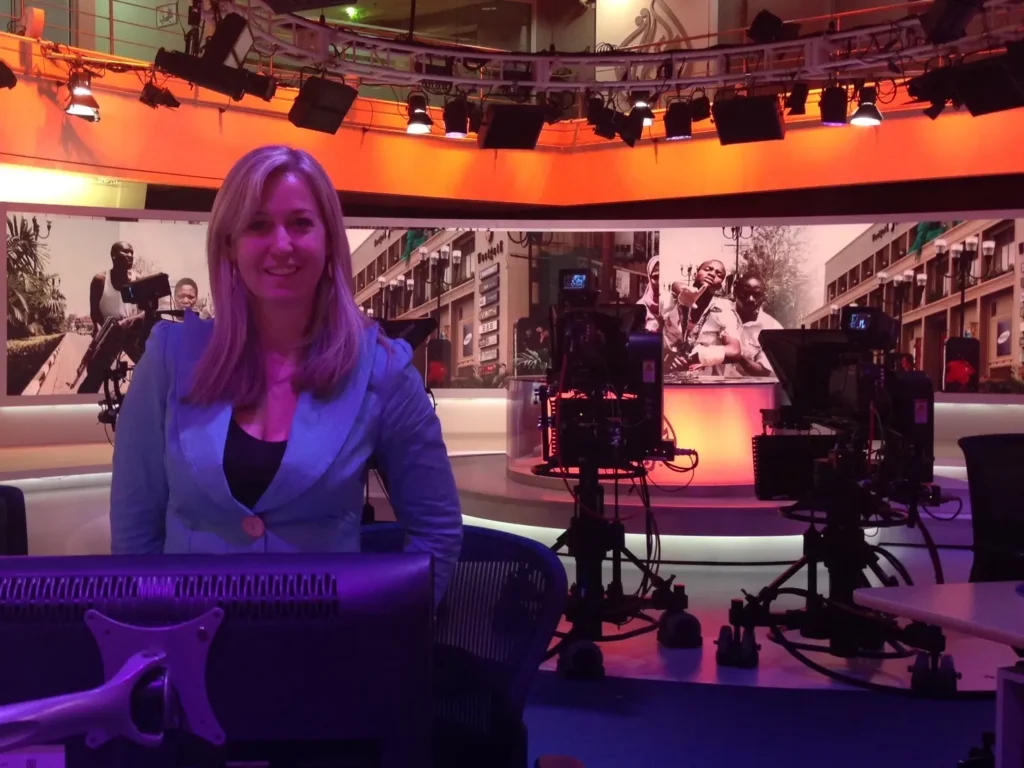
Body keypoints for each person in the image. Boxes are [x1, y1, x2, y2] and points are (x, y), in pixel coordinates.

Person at [109, 146, 463, 606]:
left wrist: (384, 642)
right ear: (230, 245)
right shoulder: (169, 358)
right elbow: (136, 532)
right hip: (189, 653)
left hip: (324, 657)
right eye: (257, 225)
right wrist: (157, 642)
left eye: (300, 223)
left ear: (329, 240)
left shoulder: (383, 367)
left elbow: (437, 532)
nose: (282, 244)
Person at [663, 259, 739, 372]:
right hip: (666, 379)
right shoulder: (668, 301)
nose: (712, 274)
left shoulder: (724, 311)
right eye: (707, 269)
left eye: (719, 274)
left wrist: (699, 356)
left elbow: (735, 351)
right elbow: (648, 335)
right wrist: (665, 356)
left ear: (719, 286)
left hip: (701, 382)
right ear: (695, 274)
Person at [721, 275, 783, 378]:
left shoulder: (773, 328)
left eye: (756, 294)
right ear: (734, 292)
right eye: (744, 293)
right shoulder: (719, 310)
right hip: (707, 387)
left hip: (745, 390)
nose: (750, 299)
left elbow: (764, 371)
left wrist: (736, 354)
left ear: (764, 296)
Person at [89, 241, 139, 334]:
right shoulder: (100, 280)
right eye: (126, 251)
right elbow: (94, 313)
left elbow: (145, 311)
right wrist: (99, 330)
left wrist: (127, 322)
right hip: (108, 335)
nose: (130, 255)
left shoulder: (138, 280)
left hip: (132, 335)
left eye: (131, 253)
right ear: (114, 255)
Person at [637, 256, 662, 333]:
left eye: (662, 275)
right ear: (649, 278)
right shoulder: (641, 306)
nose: (659, 281)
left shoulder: (673, 306)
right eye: (655, 277)